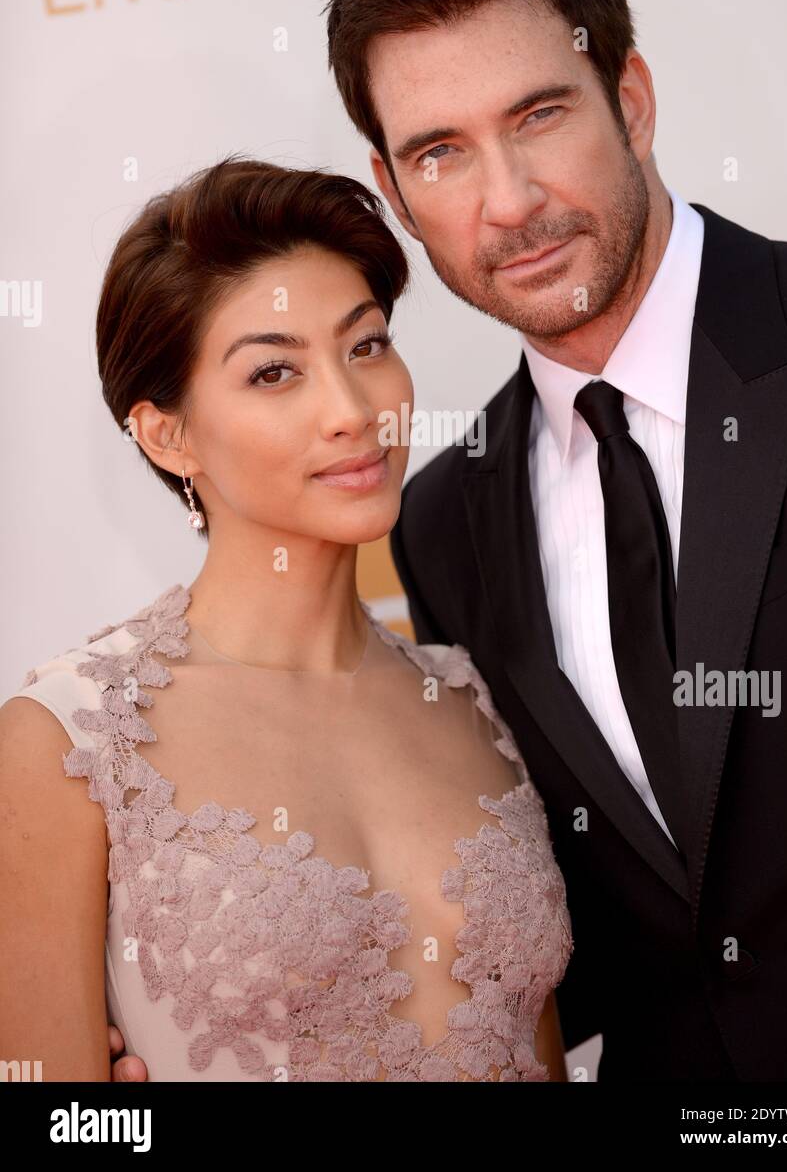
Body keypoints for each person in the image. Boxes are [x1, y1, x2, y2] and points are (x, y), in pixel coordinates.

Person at [322, 0, 787, 1081]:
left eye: (539, 115)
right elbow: (595, 919)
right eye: (442, 152)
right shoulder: (442, 519)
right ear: (396, 187)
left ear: (631, 96)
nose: (509, 202)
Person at [0, 156, 573, 1082]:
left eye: (366, 346)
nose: (352, 412)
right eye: (274, 373)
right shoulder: (69, 744)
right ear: (168, 435)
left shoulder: (470, 704)